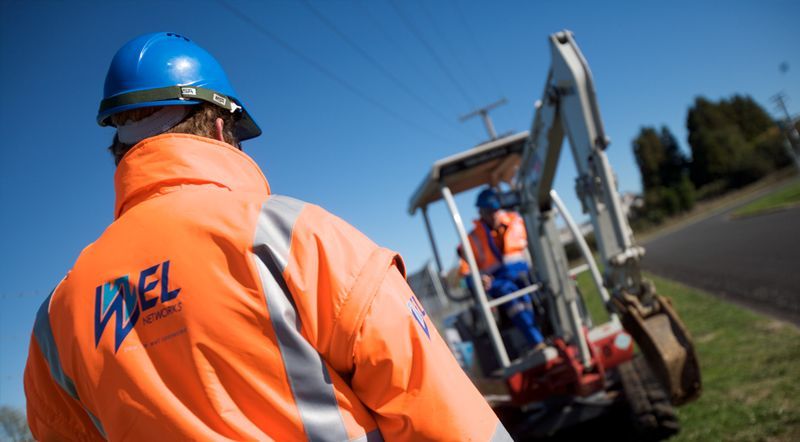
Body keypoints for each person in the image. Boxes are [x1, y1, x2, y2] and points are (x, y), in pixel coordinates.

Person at [23, 32, 512, 441]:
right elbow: (444, 414)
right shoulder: (292, 235)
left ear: (119, 150)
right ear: (219, 129)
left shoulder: (56, 320)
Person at [459, 188, 545, 349]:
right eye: (488, 211)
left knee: (539, 285)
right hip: (496, 281)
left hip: (523, 273)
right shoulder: (473, 238)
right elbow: (465, 271)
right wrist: (477, 279)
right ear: (480, 212)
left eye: (495, 210)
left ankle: (545, 331)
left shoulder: (517, 221)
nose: (493, 215)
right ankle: (536, 341)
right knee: (509, 292)